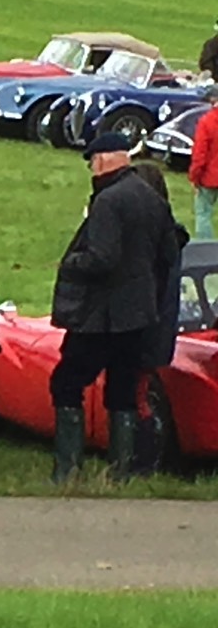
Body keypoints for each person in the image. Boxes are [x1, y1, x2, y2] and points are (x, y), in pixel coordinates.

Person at [49, 133, 180, 483]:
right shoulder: (151, 198)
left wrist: (71, 263)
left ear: (105, 160)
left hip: (101, 317)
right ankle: (120, 472)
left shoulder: (108, 201)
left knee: (65, 383)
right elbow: (171, 250)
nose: (92, 168)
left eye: (93, 161)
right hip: (139, 316)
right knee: (121, 393)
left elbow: (102, 258)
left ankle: (67, 470)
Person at [129, 161, 189, 474]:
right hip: (158, 327)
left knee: (137, 397)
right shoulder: (170, 236)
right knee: (139, 394)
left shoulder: (156, 240)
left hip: (145, 328)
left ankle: (143, 461)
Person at [187, 86, 218, 240]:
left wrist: (194, 177)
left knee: (203, 214)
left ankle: (207, 251)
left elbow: (200, 154)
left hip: (209, 177)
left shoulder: (206, 122)